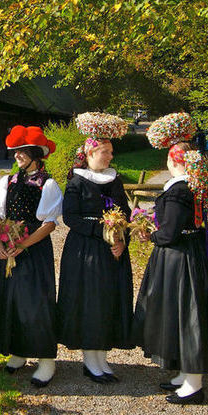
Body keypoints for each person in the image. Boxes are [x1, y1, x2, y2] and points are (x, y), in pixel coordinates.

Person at [134, 112, 208, 404]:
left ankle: (194, 385)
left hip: (182, 261)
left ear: (173, 161)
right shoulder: (192, 185)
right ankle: (185, 374)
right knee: (183, 315)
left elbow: (169, 233)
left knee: (188, 317)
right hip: (192, 255)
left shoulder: (179, 190)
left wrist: (150, 235)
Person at [0, 126, 63, 387]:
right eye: (15, 151)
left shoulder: (48, 185)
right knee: (9, 299)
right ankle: (18, 351)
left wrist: (23, 245)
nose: (17, 155)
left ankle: (46, 360)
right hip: (5, 248)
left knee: (34, 302)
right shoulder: (7, 182)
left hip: (33, 250)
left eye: (22, 151)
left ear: (36, 154)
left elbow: (49, 224)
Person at [57, 112, 133, 384]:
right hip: (85, 251)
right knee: (90, 301)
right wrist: (100, 231)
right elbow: (70, 218)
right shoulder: (77, 181)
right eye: (105, 152)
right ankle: (90, 359)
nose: (110, 156)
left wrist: (122, 240)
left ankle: (101, 356)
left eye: (111, 152)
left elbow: (125, 213)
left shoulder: (115, 180)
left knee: (108, 300)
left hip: (112, 251)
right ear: (90, 153)